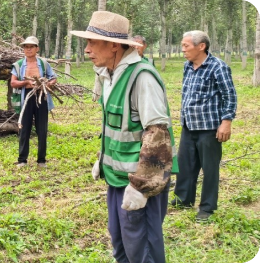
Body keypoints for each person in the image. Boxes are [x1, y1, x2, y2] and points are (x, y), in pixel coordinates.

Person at [71, 11, 176, 263]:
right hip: (117, 179)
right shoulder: (110, 75)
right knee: (122, 248)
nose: (87, 50)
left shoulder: (142, 77)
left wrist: (142, 186)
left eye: (92, 42)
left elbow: (157, 134)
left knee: (143, 251)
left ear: (114, 45)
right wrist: (103, 158)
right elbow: (120, 127)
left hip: (140, 183)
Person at [172, 30, 237, 222]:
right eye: (182, 45)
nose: (182, 49)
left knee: (209, 169)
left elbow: (230, 96)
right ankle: (183, 199)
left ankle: (207, 207)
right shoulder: (187, 66)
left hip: (209, 127)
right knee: (185, 164)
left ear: (201, 46)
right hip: (189, 125)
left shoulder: (218, 67)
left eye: (186, 46)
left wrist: (226, 122)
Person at [10, 36, 57, 169]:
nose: (28, 49)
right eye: (26, 47)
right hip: (26, 98)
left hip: (41, 97)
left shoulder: (43, 63)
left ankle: (41, 160)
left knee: (42, 129)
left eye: (31, 47)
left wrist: (48, 83)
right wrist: (26, 82)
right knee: (24, 129)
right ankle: (22, 160)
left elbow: (53, 78)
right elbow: (13, 83)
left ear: (37, 48)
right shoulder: (18, 65)